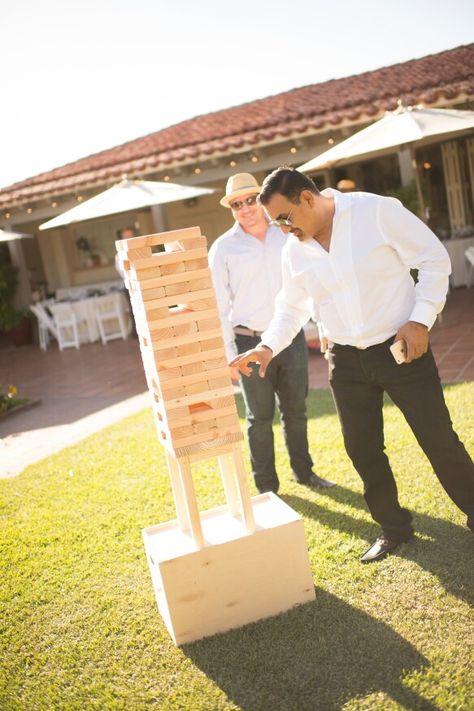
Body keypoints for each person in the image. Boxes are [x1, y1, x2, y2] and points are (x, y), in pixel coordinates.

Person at [230, 166, 474, 563]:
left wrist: (420, 319)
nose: (283, 229)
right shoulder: (294, 249)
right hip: (345, 360)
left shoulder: (375, 212)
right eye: (276, 224)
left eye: (285, 218)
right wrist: (267, 346)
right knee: (361, 448)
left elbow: (433, 259)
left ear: (307, 198)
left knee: (438, 439)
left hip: (401, 346)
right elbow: (291, 308)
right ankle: (394, 527)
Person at [209, 172, 335, 495]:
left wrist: (321, 324)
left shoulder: (289, 234)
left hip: (289, 338)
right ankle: (267, 487)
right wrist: (227, 356)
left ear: (260, 199)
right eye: (237, 204)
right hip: (248, 341)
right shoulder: (222, 249)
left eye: (250, 199)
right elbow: (219, 307)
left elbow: (314, 281)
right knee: (259, 418)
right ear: (231, 209)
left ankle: (304, 473)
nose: (246, 208)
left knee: (296, 409)